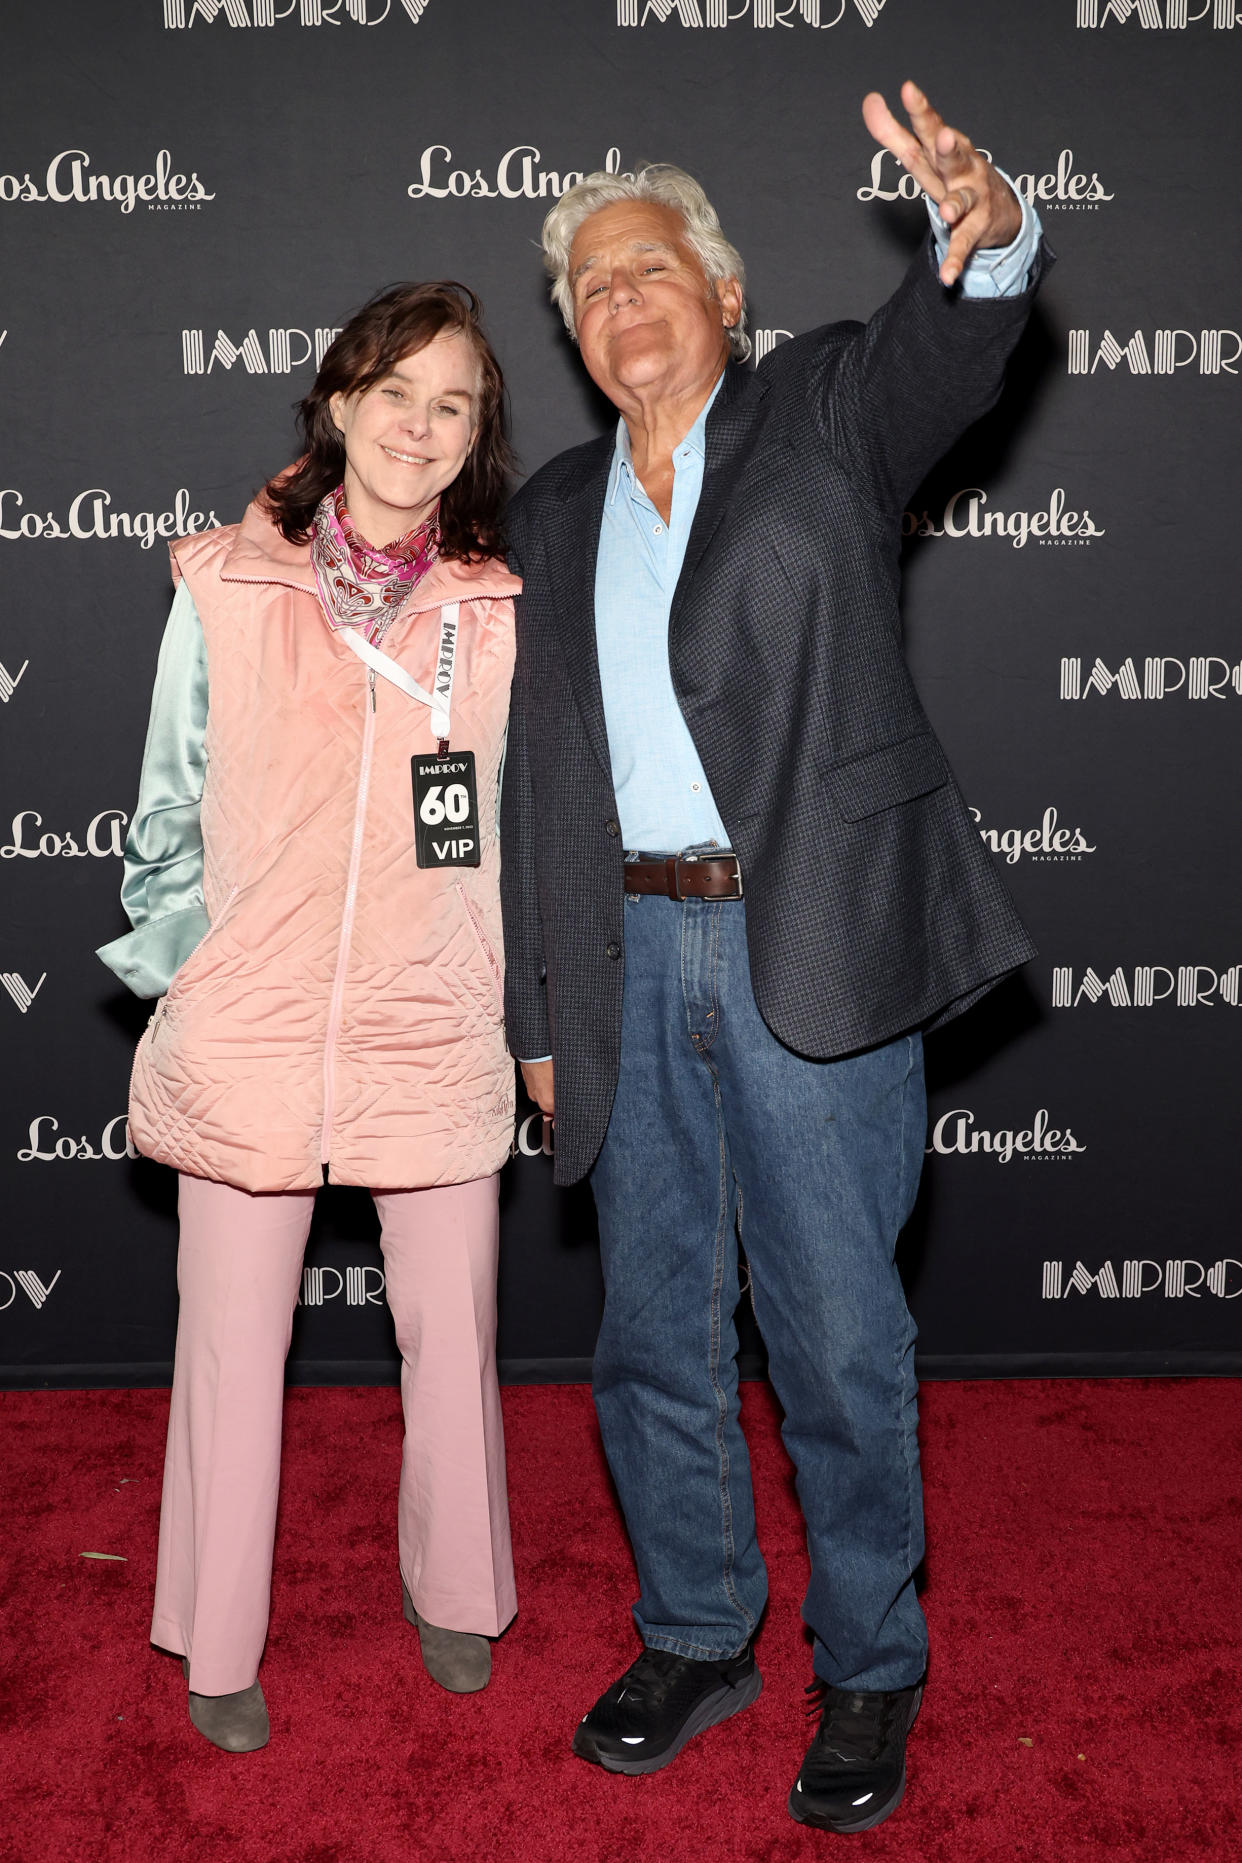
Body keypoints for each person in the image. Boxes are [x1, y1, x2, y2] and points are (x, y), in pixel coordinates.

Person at [499, 84, 1048, 1833]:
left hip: (801, 934)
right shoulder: (552, 509)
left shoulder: (820, 407)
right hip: (625, 951)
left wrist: (985, 229)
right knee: (652, 1330)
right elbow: (534, 783)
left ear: (726, 295)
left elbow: (946, 353)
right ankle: (697, 1633)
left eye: (649, 269)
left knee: (833, 1337)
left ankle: (870, 1665)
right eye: (588, 286)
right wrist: (537, 1011)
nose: (620, 303)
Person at [98, 282, 520, 1753]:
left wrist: (506, 1000)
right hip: (252, 1028)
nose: (418, 426)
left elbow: (518, 830)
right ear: (338, 403)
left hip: (435, 1020)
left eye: (451, 403)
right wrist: (190, 978)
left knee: (455, 1338)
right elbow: (163, 810)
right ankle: (214, 1638)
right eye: (394, 392)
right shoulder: (223, 580)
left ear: (475, 437)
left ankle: (458, 1594)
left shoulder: (500, 604)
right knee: (225, 1347)